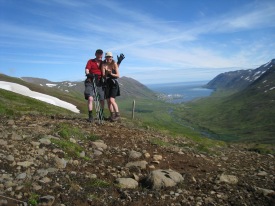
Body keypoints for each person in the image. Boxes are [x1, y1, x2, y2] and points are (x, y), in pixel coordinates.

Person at [84, 49, 125, 122]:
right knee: (93, 99)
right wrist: (88, 74)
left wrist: (119, 62)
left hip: (101, 82)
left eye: (101, 54)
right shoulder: (91, 61)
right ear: (95, 54)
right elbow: (87, 69)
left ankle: (103, 114)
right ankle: (91, 116)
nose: (100, 55)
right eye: (98, 54)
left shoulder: (104, 62)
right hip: (93, 80)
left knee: (103, 99)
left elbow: (113, 67)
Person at [101, 51, 121, 122]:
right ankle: (112, 116)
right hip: (107, 84)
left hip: (113, 83)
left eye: (109, 57)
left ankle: (117, 115)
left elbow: (118, 75)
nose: (108, 58)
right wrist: (106, 74)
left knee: (112, 100)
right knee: (108, 101)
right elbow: (103, 75)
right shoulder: (103, 65)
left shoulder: (114, 64)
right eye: (107, 57)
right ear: (105, 58)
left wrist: (111, 74)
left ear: (112, 57)